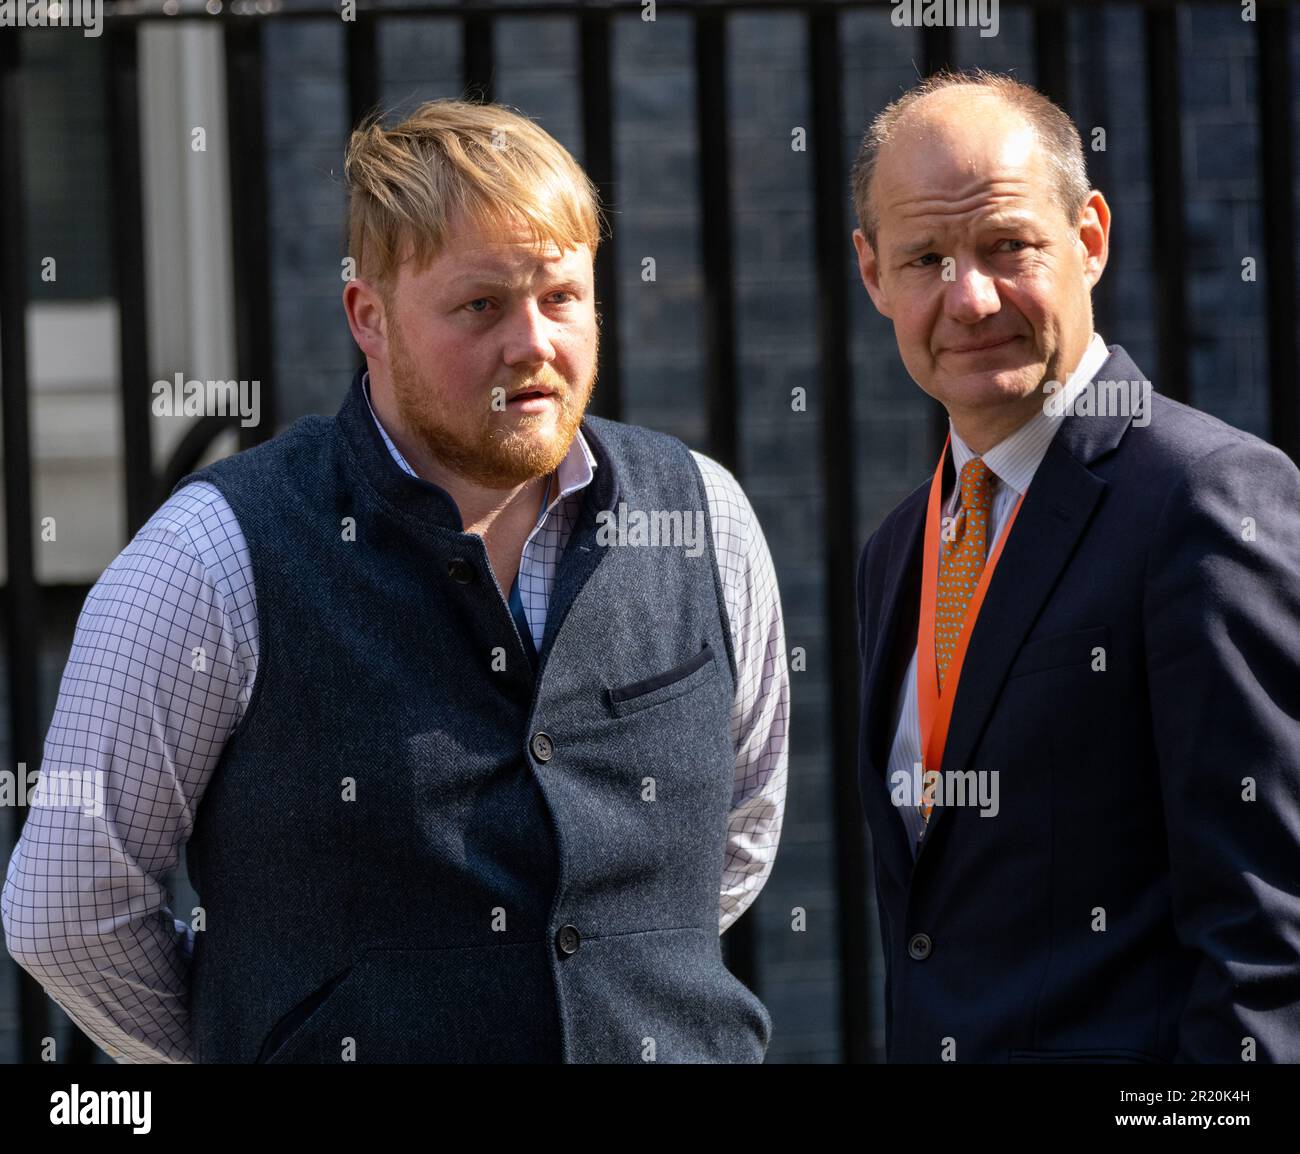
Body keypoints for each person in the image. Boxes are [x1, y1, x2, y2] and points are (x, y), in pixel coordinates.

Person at [2, 99, 789, 1064]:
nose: (532, 343)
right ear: (367, 317)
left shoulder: (704, 516)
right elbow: (65, 905)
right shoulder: (212, 554)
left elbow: (735, 835)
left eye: (561, 297)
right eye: (480, 305)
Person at [850, 69, 1300, 1063]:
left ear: (1088, 237)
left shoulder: (1202, 497)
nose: (968, 299)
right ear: (871, 272)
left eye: (1007, 245)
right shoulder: (898, 548)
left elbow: (1269, 933)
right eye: (924, 256)